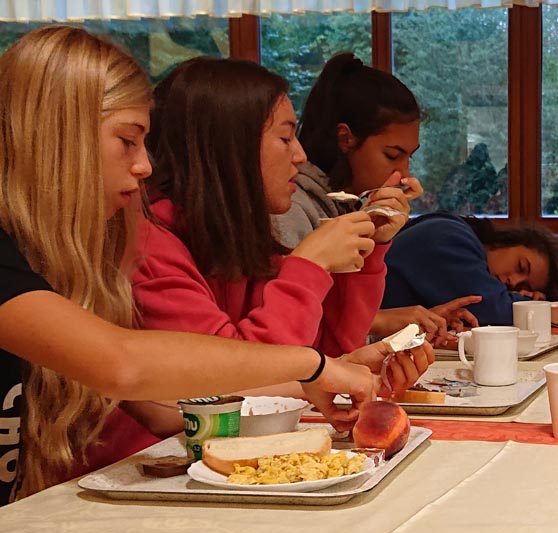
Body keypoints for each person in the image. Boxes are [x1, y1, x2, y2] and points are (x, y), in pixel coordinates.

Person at [0, 26, 428, 506]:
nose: (144, 166)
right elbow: (123, 364)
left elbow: (166, 403)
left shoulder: (83, 259)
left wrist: (327, 372)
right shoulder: (137, 244)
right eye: (127, 140)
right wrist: (312, 346)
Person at [131, 57, 430, 435]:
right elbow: (231, 382)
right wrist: (309, 265)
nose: (300, 156)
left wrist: (347, 363)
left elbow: (316, 352)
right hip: (153, 461)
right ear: (230, 147)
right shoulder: (150, 248)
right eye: (286, 138)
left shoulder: (238, 235)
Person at [272, 52, 479, 343]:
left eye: (409, 157)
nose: (404, 174)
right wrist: (385, 322)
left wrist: (399, 326)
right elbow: (295, 340)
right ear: (345, 138)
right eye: (392, 155)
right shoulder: (290, 210)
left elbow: (342, 337)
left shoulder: (349, 207)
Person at [383, 213, 558, 326]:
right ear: (508, 241)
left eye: (524, 287)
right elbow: (491, 309)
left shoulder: (456, 232)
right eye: (520, 267)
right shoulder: (450, 238)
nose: (513, 281)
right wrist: (536, 306)